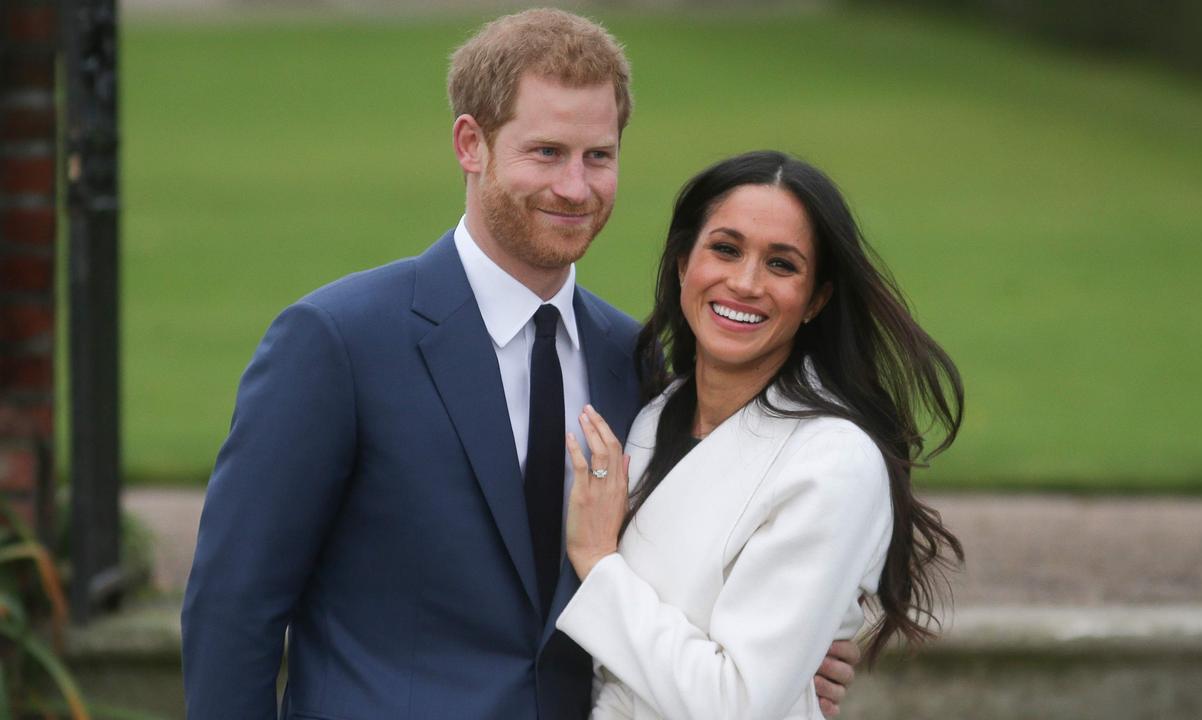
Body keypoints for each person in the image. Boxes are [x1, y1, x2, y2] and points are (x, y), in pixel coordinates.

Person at [181, 11, 856, 720]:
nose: (575, 187)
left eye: (598, 156)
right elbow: (235, 606)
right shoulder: (336, 342)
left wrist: (789, 651)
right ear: (471, 144)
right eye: (546, 152)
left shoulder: (636, 363)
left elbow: (679, 569)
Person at [553, 150, 966, 719]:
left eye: (782, 265)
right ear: (682, 265)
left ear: (816, 299)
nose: (745, 283)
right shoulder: (651, 414)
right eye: (725, 249)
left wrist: (598, 564)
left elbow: (737, 706)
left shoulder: (833, 461)